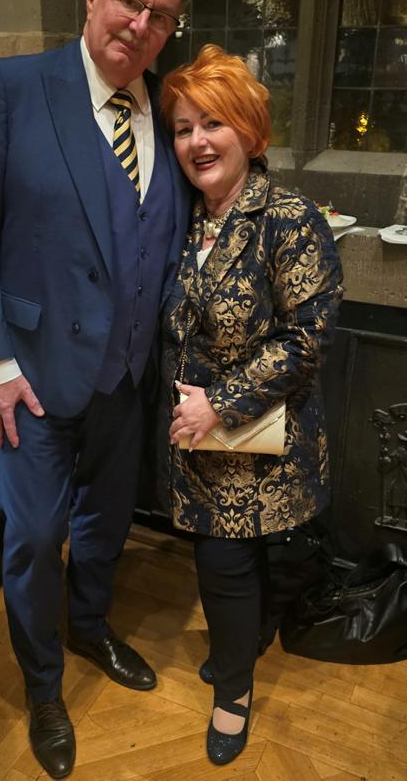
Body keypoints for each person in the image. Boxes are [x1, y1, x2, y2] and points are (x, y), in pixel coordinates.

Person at [0, 0, 194, 779]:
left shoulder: (166, 111)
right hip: (33, 377)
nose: (141, 23)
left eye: (161, 15)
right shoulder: (13, 89)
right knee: (36, 533)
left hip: (127, 376)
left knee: (105, 523)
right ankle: (43, 684)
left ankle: (90, 626)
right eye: (130, 0)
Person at [159, 44, 343, 766]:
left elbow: (308, 336)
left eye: (213, 123)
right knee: (233, 562)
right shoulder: (188, 217)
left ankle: (233, 693)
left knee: (225, 565)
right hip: (198, 439)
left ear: (249, 130)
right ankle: (244, 645)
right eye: (183, 128)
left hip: (258, 436)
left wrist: (220, 404)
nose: (197, 141)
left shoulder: (288, 218)